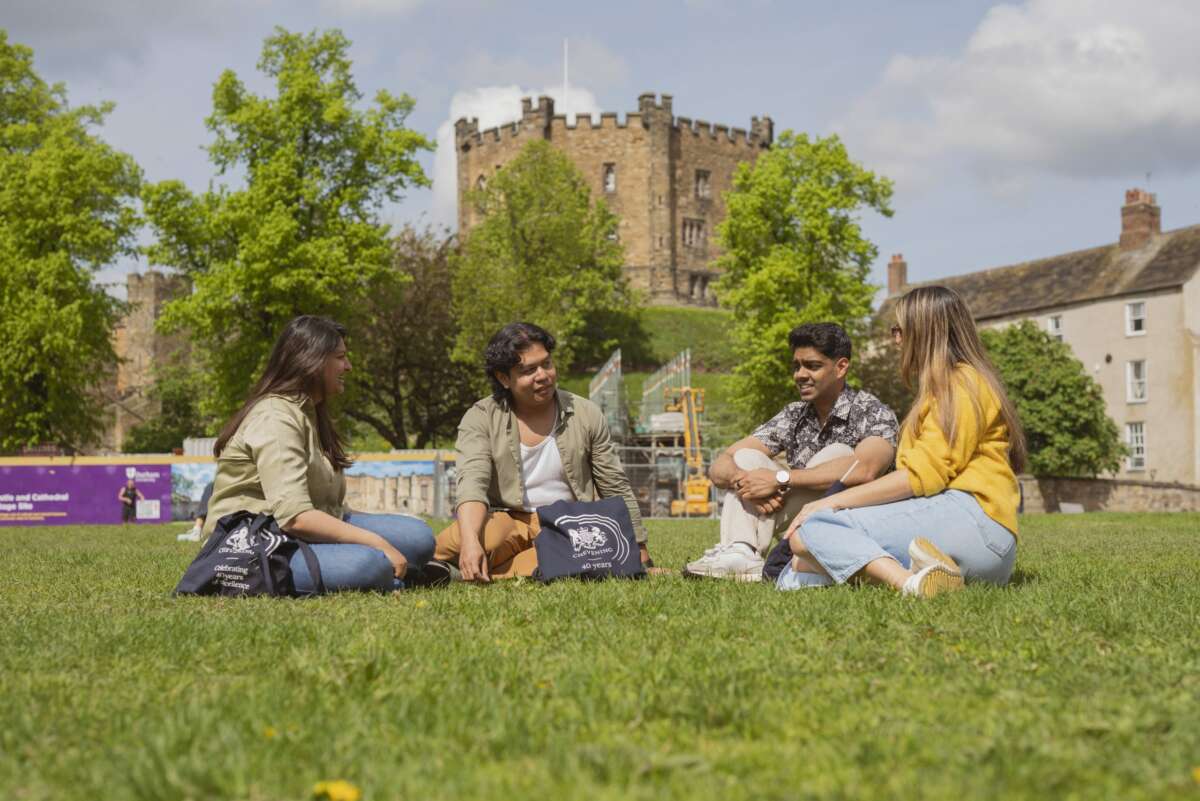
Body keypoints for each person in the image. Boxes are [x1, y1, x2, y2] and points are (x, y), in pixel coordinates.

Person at [778, 285, 1025, 597]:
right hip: (976, 535)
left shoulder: (960, 384)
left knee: (811, 534)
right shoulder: (951, 386)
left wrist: (829, 502)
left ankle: (909, 584)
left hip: (973, 522)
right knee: (800, 564)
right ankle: (930, 575)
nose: (895, 339)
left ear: (924, 331)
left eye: (899, 330)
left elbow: (921, 477)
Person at [202, 315, 436, 593]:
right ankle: (390, 576)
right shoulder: (276, 417)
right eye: (340, 357)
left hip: (299, 531)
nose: (348, 367)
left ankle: (392, 571)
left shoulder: (308, 412)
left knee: (417, 536)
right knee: (369, 564)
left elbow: (325, 508)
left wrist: (386, 526)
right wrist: (379, 543)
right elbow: (296, 517)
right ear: (311, 361)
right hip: (253, 542)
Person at [424, 322, 650, 583]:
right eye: (528, 370)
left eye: (547, 364)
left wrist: (639, 549)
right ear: (503, 378)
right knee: (461, 541)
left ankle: (470, 572)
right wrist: (471, 541)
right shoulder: (480, 417)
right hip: (506, 519)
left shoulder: (586, 413)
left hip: (567, 524)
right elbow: (472, 482)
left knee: (559, 562)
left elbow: (614, 484)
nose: (543, 375)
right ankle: (448, 563)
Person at [683, 323, 899, 580]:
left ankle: (745, 553)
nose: (800, 374)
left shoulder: (872, 410)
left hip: (854, 520)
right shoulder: (794, 414)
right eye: (796, 366)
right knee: (746, 459)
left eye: (812, 366)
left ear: (841, 367)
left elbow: (865, 469)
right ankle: (741, 552)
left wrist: (778, 479)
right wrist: (747, 482)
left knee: (837, 453)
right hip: (800, 515)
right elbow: (722, 463)